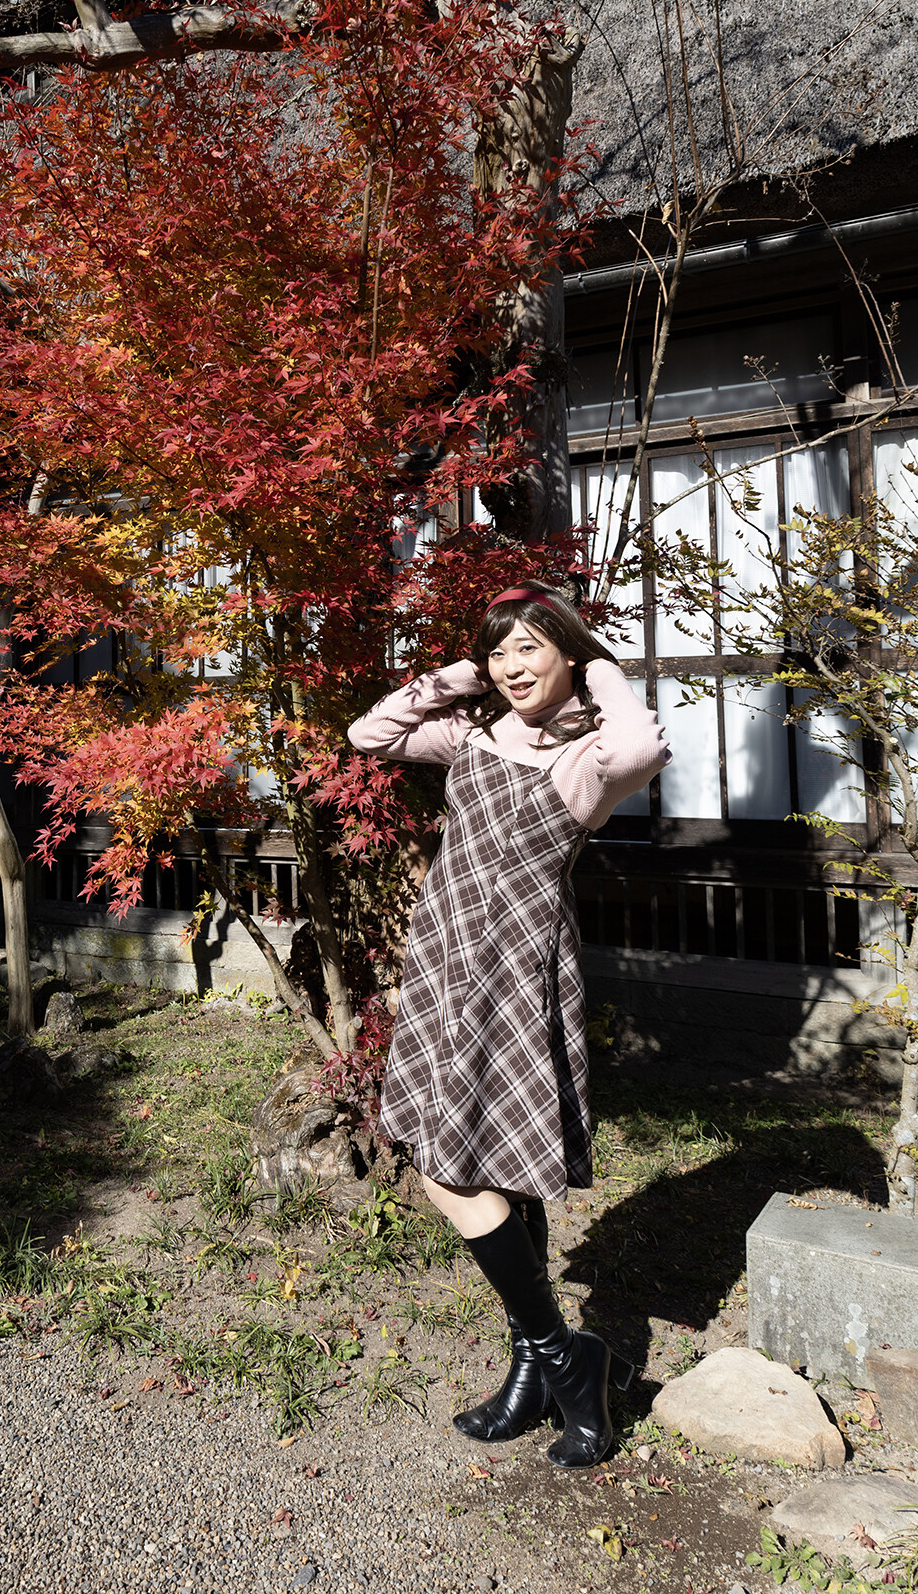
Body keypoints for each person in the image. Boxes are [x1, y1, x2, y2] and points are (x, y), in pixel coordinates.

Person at [347, 581, 670, 1469]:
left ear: (568, 651)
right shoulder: (475, 733)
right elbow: (369, 734)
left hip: (516, 963)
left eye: (529, 647)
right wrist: (461, 673)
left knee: (451, 1170)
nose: (510, 666)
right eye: (499, 651)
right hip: (445, 952)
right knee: (485, 1164)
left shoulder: (590, 755)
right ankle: (538, 1365)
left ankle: (564, 1358)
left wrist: (598, 668)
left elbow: (642, 744)